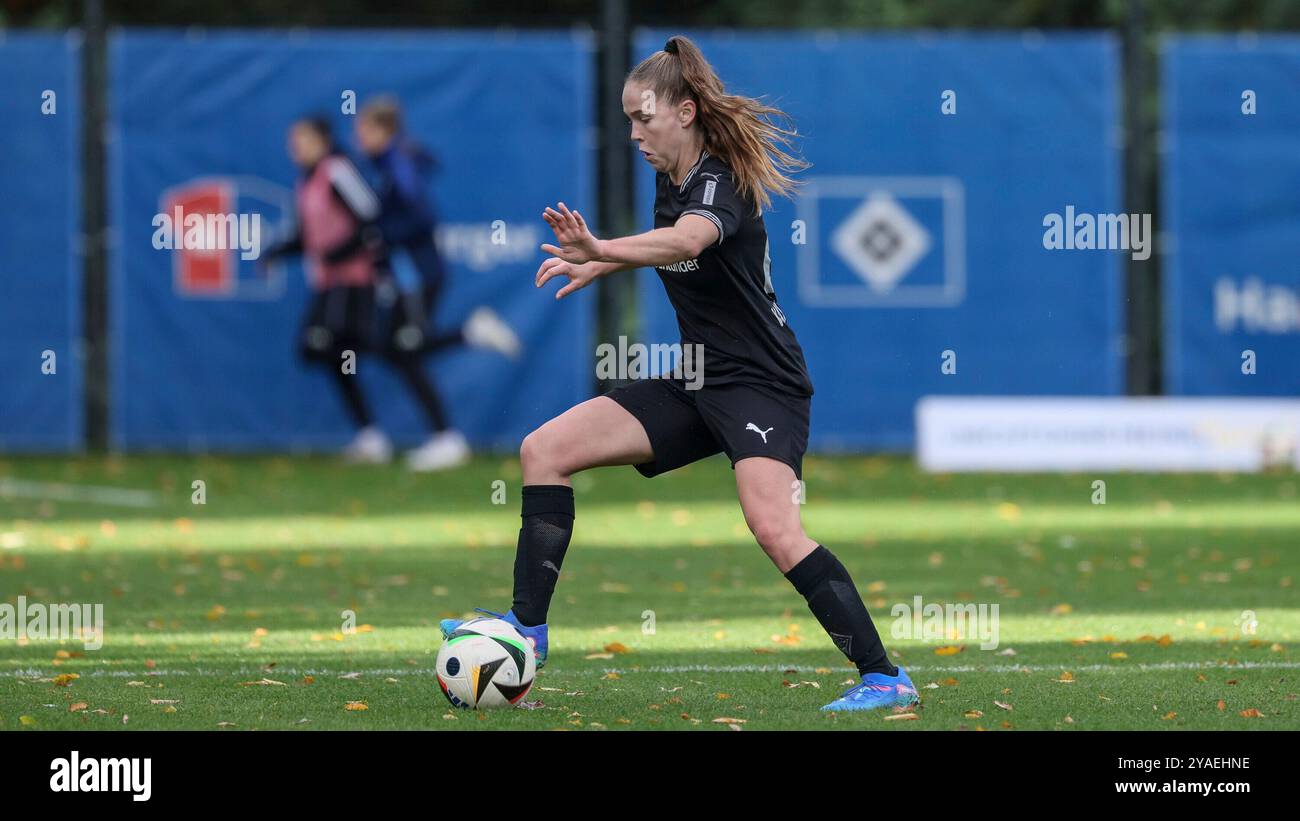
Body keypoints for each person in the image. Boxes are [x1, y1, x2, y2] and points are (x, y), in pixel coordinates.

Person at [441, 36, 918, 712]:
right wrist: (600, 263)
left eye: (644, 117)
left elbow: (691, 240)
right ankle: (527, 631)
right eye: (628, 120)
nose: (634, 132)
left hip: (762, 383)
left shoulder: (717, 178)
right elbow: (672, 246)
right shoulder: (669, 177)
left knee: (775, 529)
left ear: (686, 111)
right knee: (543, 450)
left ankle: (884, 675)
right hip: (697, 378)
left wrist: (604, 247)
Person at [354, 96, 521, 472]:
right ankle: (470, 335)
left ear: (383, 130)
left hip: (415, 275)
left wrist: (379, 234)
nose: (358, 136)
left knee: (406, 350)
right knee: (393, 347)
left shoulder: (397, 164)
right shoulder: (385, 164)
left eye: (363, 128)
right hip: (406, 275)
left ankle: (447, 438)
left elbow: (421, 218)